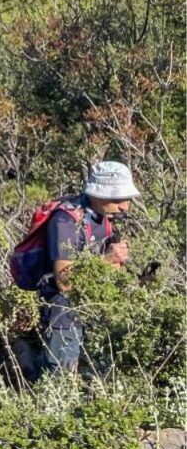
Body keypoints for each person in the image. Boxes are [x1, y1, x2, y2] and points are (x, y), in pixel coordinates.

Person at [34, 161, 138, 375]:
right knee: (60, 383)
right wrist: (106, 260)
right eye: (118, 198)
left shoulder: (103, 216)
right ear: (98, 194)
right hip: (64, 316)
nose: (125, 206)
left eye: (127, 198)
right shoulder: (66, 221)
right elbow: (65, 282)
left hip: (93, 313)